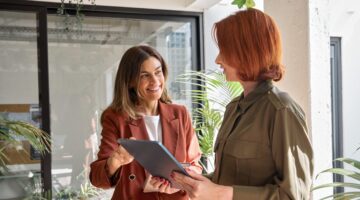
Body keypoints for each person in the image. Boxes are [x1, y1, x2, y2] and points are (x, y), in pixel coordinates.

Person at [172, 8, 314, 200]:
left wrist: (223, 194)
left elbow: (294, 195)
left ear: (248, 52)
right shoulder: (233, 108)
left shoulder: (281, 110)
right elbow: (228, 179)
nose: (218, 59)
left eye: (225, 50)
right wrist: (183, 182)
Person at [89, 45, 202, 199]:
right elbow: (96, 178)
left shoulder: (180, 113)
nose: (155, 81)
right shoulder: (116, 118)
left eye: (158, 72)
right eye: (144, 75)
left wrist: (177, 183)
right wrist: (115, 161)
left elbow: (194, 164)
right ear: (130, 82)